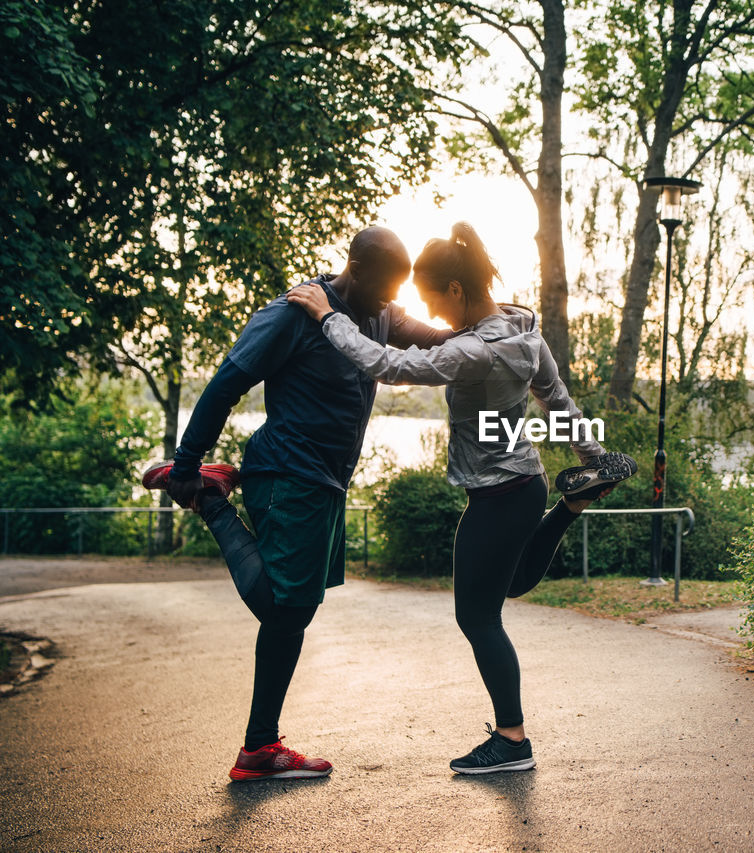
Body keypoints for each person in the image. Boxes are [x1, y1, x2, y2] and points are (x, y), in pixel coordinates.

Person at [287, 221, 637, 775]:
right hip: (528, 483)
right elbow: (558, 401)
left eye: (433, 301)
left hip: (497, 497)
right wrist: (592, 459)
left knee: (477, 617)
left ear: (454, 289)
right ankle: (572, 504)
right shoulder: (524, 330)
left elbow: (389, 365)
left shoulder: (473, 351)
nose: (436, 316)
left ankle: (512, 740)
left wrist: (328, 316)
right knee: (513, 584)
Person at [144, 226, 455, 782]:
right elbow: (224, 384)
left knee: (293, 616)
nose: (388, 302)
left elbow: (423, 335)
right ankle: (213, 499)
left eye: (394, 293)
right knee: (286, 611)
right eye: (381, 288)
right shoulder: (292, 313)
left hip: (325, 483)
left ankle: (259, 749)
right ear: (354, 269)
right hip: (287, 474)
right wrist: (188, 468)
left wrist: (490, 321)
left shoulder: (377, 311)